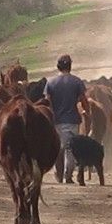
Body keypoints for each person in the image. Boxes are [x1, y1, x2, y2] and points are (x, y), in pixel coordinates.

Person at [44, 55, 90, 184]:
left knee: (58, 148)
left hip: (56, 121)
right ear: (70, 66)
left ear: (58, 66)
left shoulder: (51, 82)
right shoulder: (77, 82)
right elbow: (84, 100)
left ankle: (58, 175)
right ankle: (68, 176)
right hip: (72, 120)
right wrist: (88, 114)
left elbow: (47, 102)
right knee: (70, 149)